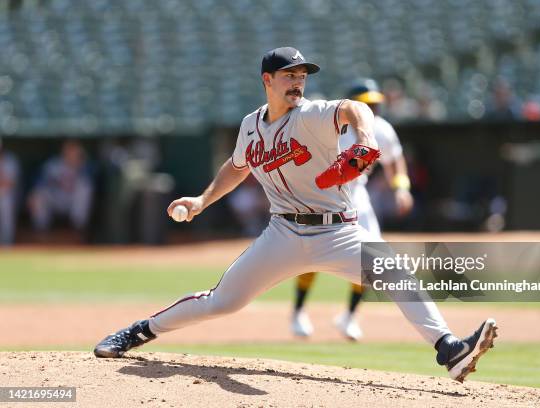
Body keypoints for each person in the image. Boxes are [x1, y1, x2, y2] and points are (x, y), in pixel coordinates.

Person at [93, 47, 497, 383]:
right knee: (222, 301)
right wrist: (201, 200)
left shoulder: (312, 115)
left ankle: (450, 350)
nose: (298, 81)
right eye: (289, 74)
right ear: (267, 80)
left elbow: (354, 109)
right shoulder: (251, 126)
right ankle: (138, 332)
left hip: (337, 233)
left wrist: (366, 136)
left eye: (302, 74)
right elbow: (237, 167)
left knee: (394, 273)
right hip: (282, 234)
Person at [291, 78, 413, 341]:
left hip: (357, 195)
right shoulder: (330, 127)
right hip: (325, 195)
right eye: (367, 105)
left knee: (374, 258)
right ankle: (298, 311)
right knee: (311, 253)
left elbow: (395, 160)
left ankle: (349, 316)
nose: (373, 111)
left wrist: (401, 187)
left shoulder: (381, 129)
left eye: (375, 105)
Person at [28, 140, 93, 232]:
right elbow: (40, 183)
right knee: (37, 196)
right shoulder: (53, 165)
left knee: (85, 187)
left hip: (72, 201)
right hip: (55, 199)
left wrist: (80, 164)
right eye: (69, 151)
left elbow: (92, 177)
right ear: (64, 152)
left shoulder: (84, 166)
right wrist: (33, 195)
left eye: (74, 152)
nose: (71, 154)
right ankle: (41, 230)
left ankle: (78, 228)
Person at [0, 137, 19, 245]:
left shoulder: (11, 160)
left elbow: (10, 183)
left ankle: (7, 244)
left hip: (9, 195)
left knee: (5, 200)